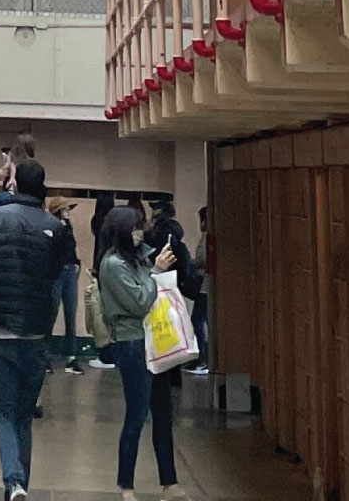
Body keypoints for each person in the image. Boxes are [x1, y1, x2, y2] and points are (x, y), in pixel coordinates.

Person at [0, 157, 75, 501]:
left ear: (15, 184)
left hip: (0, 331)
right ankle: (20, 485)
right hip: (35, 333)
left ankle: (13, 481)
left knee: (1, 410)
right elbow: (56, 276)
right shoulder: (55, 227)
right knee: (24, 414)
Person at [96, 206, 180, 501]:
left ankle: (169, 482)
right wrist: (156, 269)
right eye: (135, 227)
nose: (140, 232)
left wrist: (153, 261)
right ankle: (126, 485)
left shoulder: (136, 258)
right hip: (132, 341)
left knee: (163, 412)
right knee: (136, 413)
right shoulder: (113, 265)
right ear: (121, 230)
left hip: (154, 337)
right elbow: (142, 300)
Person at [142, 195, 203, 376]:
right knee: (172, 326)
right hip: (173, 283)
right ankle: (173, 367)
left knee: (162, 326)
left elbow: (155, 255)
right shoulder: (174, 232)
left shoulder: (161, 233)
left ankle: (166, 368)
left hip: (162, 281)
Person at [47, 199, 86, 373]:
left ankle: (71, 356)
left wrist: (77, 264)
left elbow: (71, 249)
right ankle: (44, 357)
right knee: (51, 314)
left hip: (69, 271)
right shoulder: (53, 227)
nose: (68, 212)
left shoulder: (67, 227)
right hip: (57, 272)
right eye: (66, 209)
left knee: (70, 314)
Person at [190, 207, 212, 374]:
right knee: (203, 321)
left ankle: (203, 359)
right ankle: (204, 358)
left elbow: (203, 259)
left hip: (205, 286)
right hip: (207, 285)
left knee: (198, 320)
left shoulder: (207, 238)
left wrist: (192, 263)